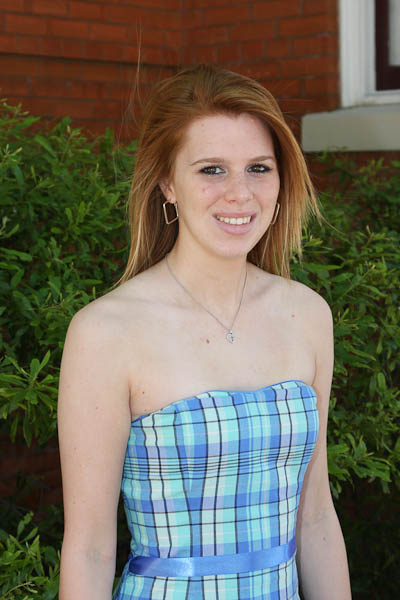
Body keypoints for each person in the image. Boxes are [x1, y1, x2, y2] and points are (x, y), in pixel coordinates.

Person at [58, 64, 352, 600]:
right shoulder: (105, 332)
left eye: (259, 168)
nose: (240, 193)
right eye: (212, 169)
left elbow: (314, 517)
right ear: (167, 183)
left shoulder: (307, 314)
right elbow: (90, 549)